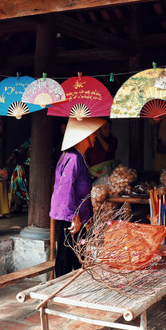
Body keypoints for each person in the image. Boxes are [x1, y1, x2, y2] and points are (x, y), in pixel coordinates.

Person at [50, 117, 105, 277]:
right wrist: (74, 216)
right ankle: (62, 288)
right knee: (66, 259)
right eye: (92, 133)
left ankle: (72, 286)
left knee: (77, 255)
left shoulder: (77, 156)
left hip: (76, 217)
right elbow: (66, 188)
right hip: (71, 218)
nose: (94, 136)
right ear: (83, 136)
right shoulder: (73, 158)